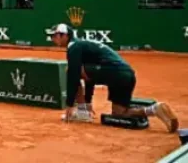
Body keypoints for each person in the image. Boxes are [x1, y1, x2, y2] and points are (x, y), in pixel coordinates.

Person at [47, 23, 179, 132]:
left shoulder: (74, 47)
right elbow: (88, 78)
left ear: (64, 35)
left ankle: (82, 113)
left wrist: (70, 104)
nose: (52, 39)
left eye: (54, 36)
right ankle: (154, 109)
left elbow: (75, 76)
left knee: (71, 70)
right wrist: (87, 101)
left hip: (115, 73)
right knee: (119, 113)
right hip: (127, 75)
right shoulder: (82, 44)